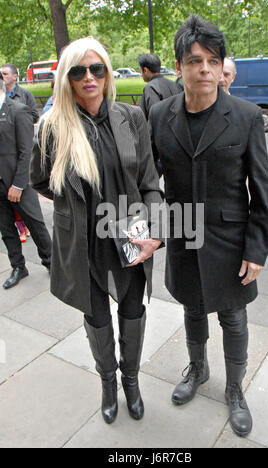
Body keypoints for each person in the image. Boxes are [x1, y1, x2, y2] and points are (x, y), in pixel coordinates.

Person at [149, 15, 268, 438]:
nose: (205, 69)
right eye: (195, 60)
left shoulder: (246, 116)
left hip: (230, 241)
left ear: (222, 68)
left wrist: (256, 249)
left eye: (213, 61)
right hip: (184, 235)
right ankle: (197, 370)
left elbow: (261, 189)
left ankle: (235, 389)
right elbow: (150, 181)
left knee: (234, 318)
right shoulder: (160, 114)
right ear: (179, 66)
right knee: (192, 308)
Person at [30, 37, 163, 425]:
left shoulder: (131, 117)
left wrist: (155, 232)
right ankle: (108, 382)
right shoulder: (52, 128)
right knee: (98, 318)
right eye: (78, 71)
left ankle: (131, 381)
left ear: (107, 73)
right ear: (67, 80)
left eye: (97, 69)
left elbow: (150, 182)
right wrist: (75, 207)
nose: (89, 77)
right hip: (84, 243)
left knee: (134, 312)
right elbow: (39, 180)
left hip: (131, 238)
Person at [0, 71, 52, 289]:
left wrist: (18, 184)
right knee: (6, 229)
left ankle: (52, 263)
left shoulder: (17, 111)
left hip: (18, 183)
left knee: (36, 225)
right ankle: (18, 266)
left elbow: (26, 151)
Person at [138, 53, 181, 120]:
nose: (141, 74)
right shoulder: (175, 85)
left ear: (145, 70)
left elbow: (155, 117)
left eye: (140, 70)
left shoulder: (150, 88)